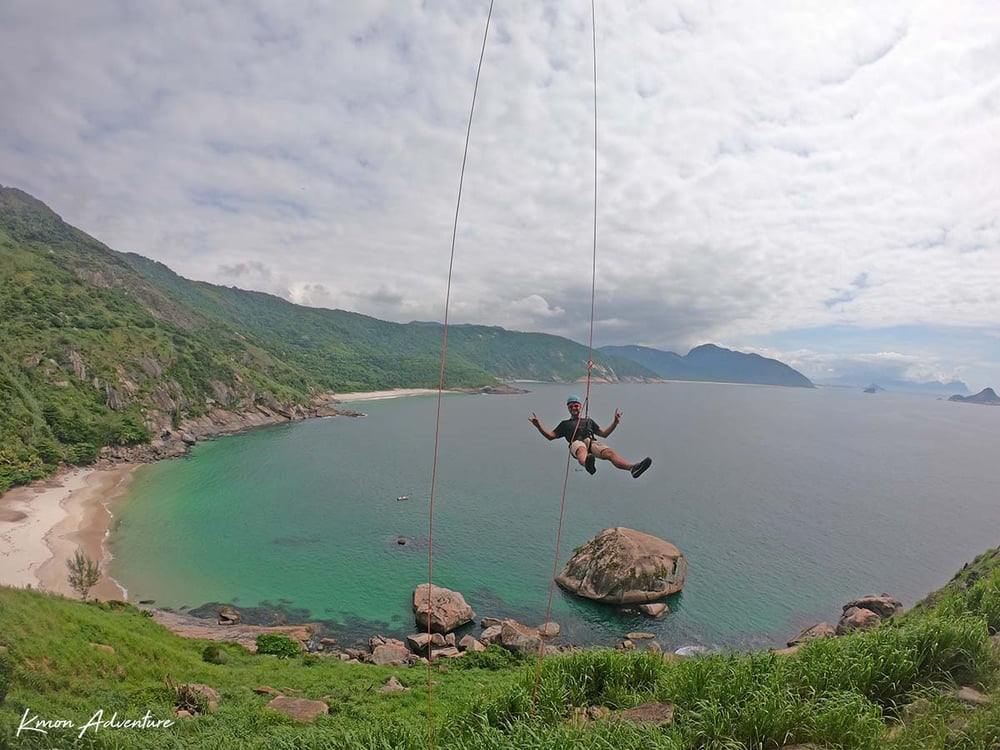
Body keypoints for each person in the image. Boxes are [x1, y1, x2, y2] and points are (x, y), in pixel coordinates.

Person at [529, 394, 652, 478]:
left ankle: (632, 468)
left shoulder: (588, 421)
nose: (574, 408)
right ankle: (587, 464)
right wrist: (538, 425)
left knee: (609, 453)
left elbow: (604, 434)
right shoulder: (565, 424)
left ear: (580, 406)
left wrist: (615, 422)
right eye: (571, 406)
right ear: (568, 408)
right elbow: (551, 436)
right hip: (576, 444)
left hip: (591, 441)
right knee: (581, 448)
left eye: (575, 405)